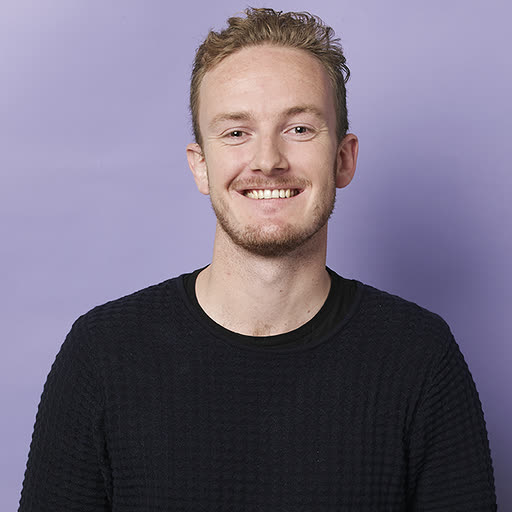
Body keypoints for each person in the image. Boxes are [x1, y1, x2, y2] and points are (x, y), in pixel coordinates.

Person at [19, 7, 496, 511]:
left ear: (343, 158)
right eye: (236, 132)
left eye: (300, 129)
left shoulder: (419, 357)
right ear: (201, 167)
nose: (268, 160)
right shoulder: (102, 355)